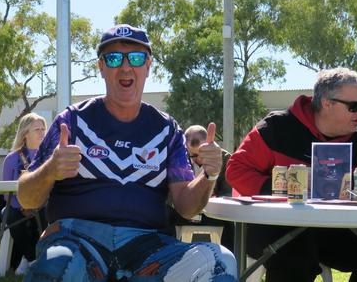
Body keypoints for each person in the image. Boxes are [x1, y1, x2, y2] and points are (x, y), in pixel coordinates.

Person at [17, 24, 237, 281]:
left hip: (148, 247)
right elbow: (26, 199)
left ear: (148, 66)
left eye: (135, 57)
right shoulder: (72, 121)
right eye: (113, 58)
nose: (125, 66)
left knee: (220, 261)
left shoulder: (166, 130)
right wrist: (50, 170)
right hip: (76, 240)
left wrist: (209, 176)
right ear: (100, 67)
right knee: (55, 267)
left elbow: (186, 208)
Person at [226, 67, 357, 282]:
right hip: (273, 226)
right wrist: (287, 187)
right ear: (327, 103)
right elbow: (236, 171)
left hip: (332, 229)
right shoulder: (276, 128)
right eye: (354, 106)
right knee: (297, 252)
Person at [169, 125, 234, 251]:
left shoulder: (224, 158)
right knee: (166, 215)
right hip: (184, 212)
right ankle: (169, 260)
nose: (198, 159)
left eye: (202, 154)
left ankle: (230, 261)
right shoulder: (179, 159)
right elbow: (172, 195)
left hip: (214, 214)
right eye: (193, 155)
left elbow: (228, 193)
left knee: (230, 223)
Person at [2, 112, 48, 275]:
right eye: (37, 129)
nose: (42, 132)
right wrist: (22, 205)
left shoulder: (50, 156)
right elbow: (6, 192)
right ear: (25, 133)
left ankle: (27, 260)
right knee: (10, 216)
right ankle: (34, 261)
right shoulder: (11, 159)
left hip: (44, 205)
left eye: (43, 129)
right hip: (16, 205)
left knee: (45, 216)